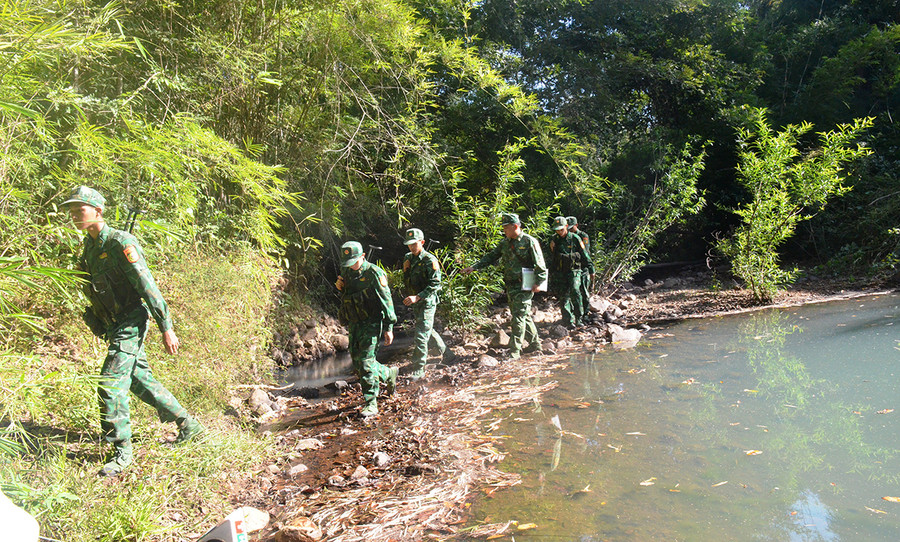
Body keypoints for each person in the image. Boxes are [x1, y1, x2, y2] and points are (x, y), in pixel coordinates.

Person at [63, 186, 204, 477]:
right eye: (72, 212)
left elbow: (146, 285)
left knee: (110, 383)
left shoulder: (121, 242)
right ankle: (189, 425)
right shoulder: (89, 248)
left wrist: (167, 327)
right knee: (140, 381)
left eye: (80, 210)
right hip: (114, 323)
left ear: (98, 211)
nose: (75, 216)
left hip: (132, 320)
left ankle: (122, 451)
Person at [462, 213, 547, 360]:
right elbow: (491, 256)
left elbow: (540, 264)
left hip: (525, 285)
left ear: (515, 226)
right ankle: (535, 345)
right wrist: (474, 267)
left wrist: (539, 282)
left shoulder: (529, 241)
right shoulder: (505, 243)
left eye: (506, 227)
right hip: (511, 285)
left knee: (518, 318)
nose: (504, 230)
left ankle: (514, 351)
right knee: (523, 315)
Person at [335, 241, 399, 417]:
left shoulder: (374, 273)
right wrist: (340, 287)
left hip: (372, 322)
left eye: (354, 261)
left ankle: (371, 403)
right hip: (354, 322)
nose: (351, 266)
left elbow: (387, 301)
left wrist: (389, 327)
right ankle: (389, 373)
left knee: (365, 361)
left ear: (362, 257)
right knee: (358, 362)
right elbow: (347, 296)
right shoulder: (347, 271)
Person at [401, 228, 448, 380]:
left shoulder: (429, 260)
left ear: (422, 242)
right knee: (427, 329)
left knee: (421, 335)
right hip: (416, 302)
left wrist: (418, 297)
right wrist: (406, 270)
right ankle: (448, 354)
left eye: (414, 244)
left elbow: (435, 284)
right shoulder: (408, 258)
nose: (411, 247)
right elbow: (408, 279)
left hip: (427, 301)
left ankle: (419, 368)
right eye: (409, 244)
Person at [547, 216, 590, 329]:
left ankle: (579, 318)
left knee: (575, 291)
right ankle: (568, 320)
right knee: (563, 296)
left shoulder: (575, 238)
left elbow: (584, 254)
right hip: (561, 271)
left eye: (561, 229)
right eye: (557, 230)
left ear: (566, 227)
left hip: (574, 270)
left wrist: (590, 269)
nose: (559, 232)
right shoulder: (554, 239)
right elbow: (552, 256)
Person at [566, 216, 595, 325]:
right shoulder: (565, 237)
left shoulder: (583, 236)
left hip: (583, 268)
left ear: (576, 225)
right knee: (573, 293)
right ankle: (575, 315)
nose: (569, 230)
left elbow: (584, 252)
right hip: (572, 269)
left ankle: (585, 315)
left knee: (584, 292)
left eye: (571, 227)